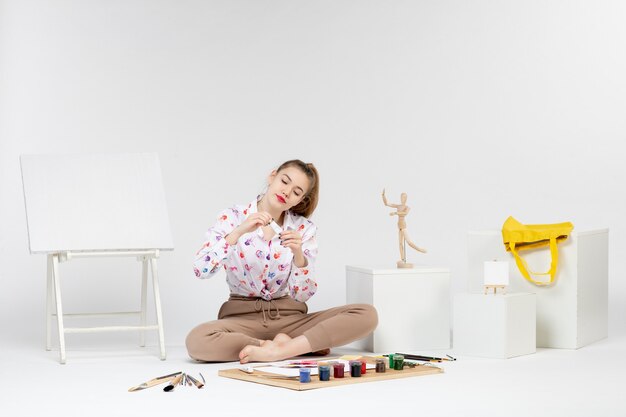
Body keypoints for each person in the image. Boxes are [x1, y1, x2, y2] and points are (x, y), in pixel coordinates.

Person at [186, 159, 378, 363]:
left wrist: (298, 254)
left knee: (366, 314)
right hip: (241, 320)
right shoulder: (233, 217)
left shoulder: (303, 229)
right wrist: (239, 231)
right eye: (284, 182)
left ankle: (278, 351)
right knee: (197, 340)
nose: (286, 192)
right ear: (272, 176)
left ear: (300, 200)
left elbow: (302, 294)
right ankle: (284, 346)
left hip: (290, 320)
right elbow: (201, 270)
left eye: (296, 192)